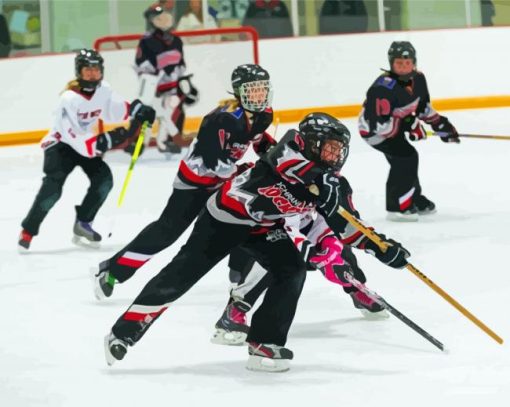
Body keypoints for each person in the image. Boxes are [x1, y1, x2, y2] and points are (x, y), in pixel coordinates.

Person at [102, 112, 411, 372]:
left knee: (291, 269)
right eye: (329, 149)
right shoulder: (288, 155)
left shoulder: (331, 183)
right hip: (224, 218)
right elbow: (288, 168)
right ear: (310, 144)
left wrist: (382, 248)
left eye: (338, 151)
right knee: (181, 275)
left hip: (263, 226)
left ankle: (265, 343)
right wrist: (321, 184)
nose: (335, 157)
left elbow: (348, 225)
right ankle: (123, 333)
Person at [92, 63, 275, 301]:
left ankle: (239, 276)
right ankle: (112, 271)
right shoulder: (220, 119)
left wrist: (273, 156)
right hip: (193, 183)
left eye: (262, 89)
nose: (259, 95)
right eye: (253, 90)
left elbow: (258, 140)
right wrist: (243, 172)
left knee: (242, 220)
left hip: (221, 182)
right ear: (239, 92)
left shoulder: (265, 115)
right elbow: (214, 162)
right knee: (167, 232)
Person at [17, 49, 155, 251]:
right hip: (61, 145)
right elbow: (75, 137)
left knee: (104, 180)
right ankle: (28, 230)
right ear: (79, 72)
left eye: (96, 69)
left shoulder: (103, 90)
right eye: (87, 69)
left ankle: (83, 223)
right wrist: (110, 139)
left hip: (85, 144)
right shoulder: (69, 99)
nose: (92, 73)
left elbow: (116, 109)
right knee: (52, 190)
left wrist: (138, 110)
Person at [211, 210, 389, 346]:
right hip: (269, 230)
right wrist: (317, 256)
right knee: (274, 256)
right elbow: (282, 226)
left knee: (341, 249)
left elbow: (334, 217)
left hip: (304, 225)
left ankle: (357, 289)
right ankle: (236, 308)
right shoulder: (280, 175)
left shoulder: (328, 177)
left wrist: (330, 247)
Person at [358, 41, 460, 222]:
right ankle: (397, 207)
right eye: (399, 63)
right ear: (391, 64)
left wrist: (441, 125)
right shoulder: (382, 87)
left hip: (392, 127)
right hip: (374, 132)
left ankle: (412, 197)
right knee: (405, 158)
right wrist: (408, 124)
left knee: (407, 158)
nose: (404, 67)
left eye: (408, 63)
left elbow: (422, 108)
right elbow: (378, 125)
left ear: (414, 62)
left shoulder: (419, 78)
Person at [134, 3, 199, 154]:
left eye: (166, 17)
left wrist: (181, 79)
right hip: (154, 86)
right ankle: (141, 142)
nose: (165, 20)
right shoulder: (146, 41)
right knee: (150, 112)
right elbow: (141, 63)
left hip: (171, 85)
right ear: (152, 21)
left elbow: (181, 62)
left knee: (172, 111)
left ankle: (165, 141)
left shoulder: (176, 40)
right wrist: (152, 76)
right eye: (160, 18)